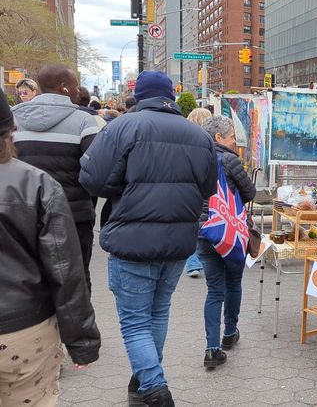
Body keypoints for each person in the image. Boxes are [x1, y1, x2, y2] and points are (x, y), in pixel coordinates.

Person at [80, 71, 217, 406]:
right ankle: (143, 381)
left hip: (132, 241)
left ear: (139, 96)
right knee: (157, 312)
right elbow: (208, 188)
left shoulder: (122, 127)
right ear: (171, 96)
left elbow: (92, 179)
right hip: (177, 243)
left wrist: (123, 189)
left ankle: (156, 389)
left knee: (135, 321)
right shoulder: (198, 135)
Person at [0, 88, 101, 406]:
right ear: (9, 131)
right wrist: (81, 340)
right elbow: (64, 269)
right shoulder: (36, 184)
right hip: (21, 333)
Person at [12, 65, 102, 294]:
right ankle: (76, 329)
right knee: (77, 279)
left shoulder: (15, 119)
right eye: (74, 85)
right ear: (63, 87)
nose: (77, 90)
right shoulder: (84, 121)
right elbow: (97, 170)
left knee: (30, 279)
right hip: (74, 216)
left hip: (24, 214)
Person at [195, 115, 256, 368]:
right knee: (233, 283)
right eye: (231, 136)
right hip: (230, 233)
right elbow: (250, 192)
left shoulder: (195, 157)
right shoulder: (230, 160)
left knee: (214, 290)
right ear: (218, 137)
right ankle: (229, 333)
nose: (234, 141)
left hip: (205, 231)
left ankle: (212, 349)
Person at [182, 108, 214, 278]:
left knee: (191, 224)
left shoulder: (183, 138)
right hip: (207, 188)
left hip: (188, 189)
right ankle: (204, 259)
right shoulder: (211, 141)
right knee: (206, 221)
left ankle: (193, 263)